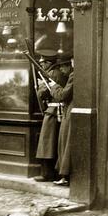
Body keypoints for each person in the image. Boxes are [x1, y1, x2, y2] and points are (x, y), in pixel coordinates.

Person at [34, 50, 68, 182]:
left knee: (47, 143)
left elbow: (41, 94)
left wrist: (39, 87)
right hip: (59, 111)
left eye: (43, 63)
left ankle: (47, 174)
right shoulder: (59, 73)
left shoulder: (52, 74)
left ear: (48, 63)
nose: (41, 65)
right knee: (54, 143)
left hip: (53, 111)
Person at [48, 58, 74, 186]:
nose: (62, 70)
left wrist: (53, 86)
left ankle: (65, 176)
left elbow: (62, 95)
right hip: (70, 111)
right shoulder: (73, 75)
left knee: (65, 143)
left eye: (63, 67)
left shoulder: (74, 75)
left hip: (70, 113)